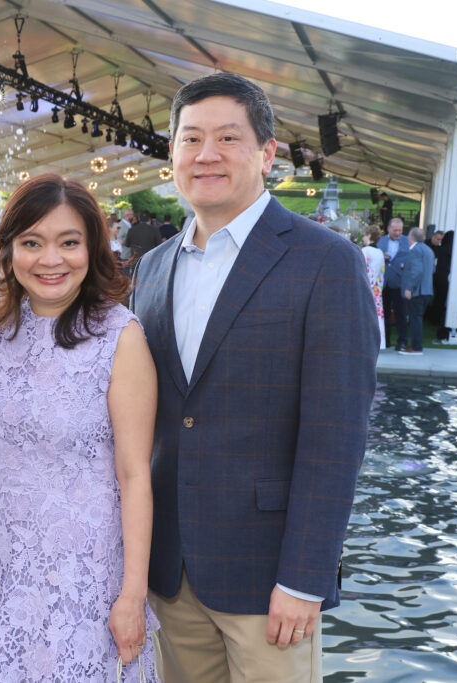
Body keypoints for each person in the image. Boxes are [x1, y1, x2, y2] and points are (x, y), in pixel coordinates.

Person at [130, 72, 378, 683]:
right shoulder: (151, 268)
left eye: (227, 138)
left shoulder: (326, 261)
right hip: (170, 574)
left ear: (267, 154)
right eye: (191, 139)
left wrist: (305, 577)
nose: (206, 154)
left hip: (270, 581)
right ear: (172, 154)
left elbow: (337, 435)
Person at [0, 174, 160, 681]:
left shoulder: (120, 337)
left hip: (81, 565)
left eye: (69, 242)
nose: (51, 259)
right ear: (10, 250)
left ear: (92, 248)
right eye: (32, 243)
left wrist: (132, 594)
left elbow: (135, 476)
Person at [400, 227, 435, 356]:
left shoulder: (415, 250)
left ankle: (416, 347)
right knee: (417, 318)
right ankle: (416, 346)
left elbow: (417, 271)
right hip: (427, 290)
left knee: (415, 319)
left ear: (411, 237)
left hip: (417, 291)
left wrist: (409, 288)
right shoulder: (428, 250)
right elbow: (431, 270)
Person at [377, 218, 410, 350]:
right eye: (395, 230)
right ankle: (385, 340)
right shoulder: (381, 241)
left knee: (400, 313)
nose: (397, 233)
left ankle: (402, 341)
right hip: (384, 282)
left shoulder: (407, 241)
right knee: (384, 313)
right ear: (388, 229)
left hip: (399, 282)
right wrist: (381, 256)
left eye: (400, 230)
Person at [361, 226, 386, 349]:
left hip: (366, 288)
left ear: (369, 236)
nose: (363, 238)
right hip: (377, 289)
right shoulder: (380, 252)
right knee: (377, 316)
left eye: (364, 235)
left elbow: (362, 269)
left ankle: (365, 341)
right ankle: (380, 342)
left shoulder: (365, 251)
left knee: (365, 315)